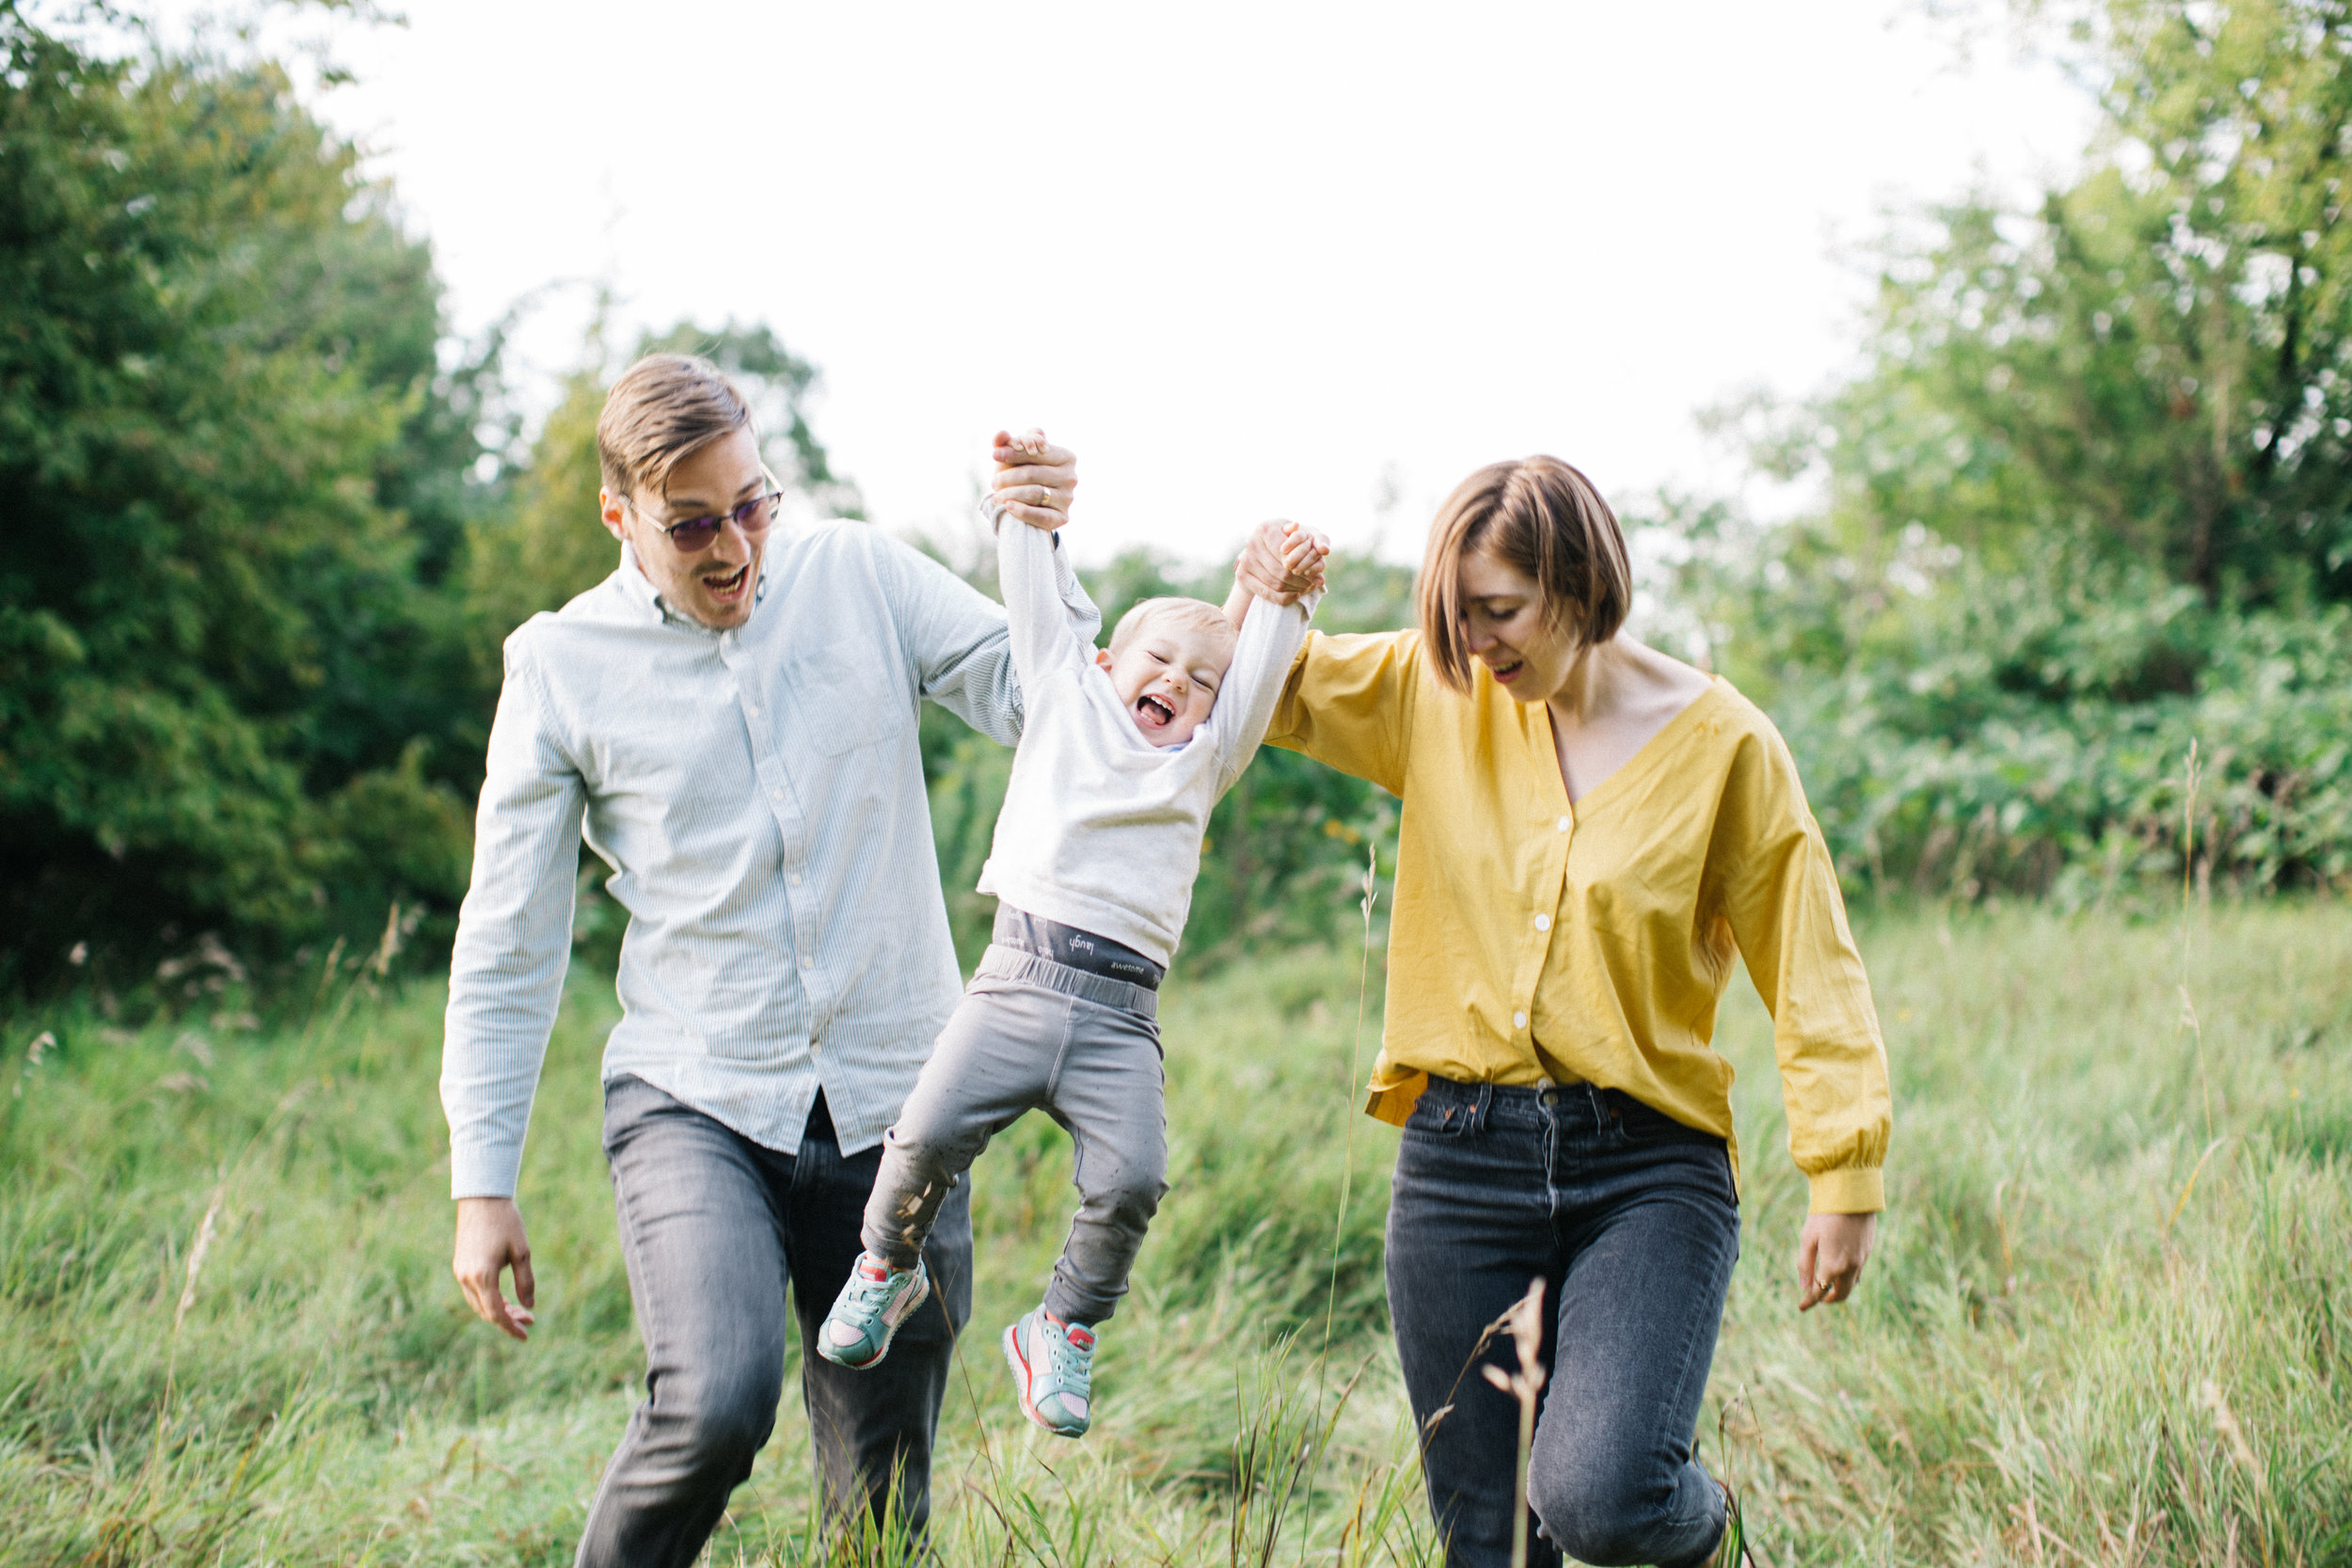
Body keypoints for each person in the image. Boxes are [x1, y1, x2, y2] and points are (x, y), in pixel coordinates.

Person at [438, 354, 1091, 1566]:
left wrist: (1035, 544)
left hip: (903, 1105)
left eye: (753, 504)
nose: (735, 545)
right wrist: (485, 1179)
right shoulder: (560, 665)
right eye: (693, 524)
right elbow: (508, 937)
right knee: (715, 1400)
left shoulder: (855, 573)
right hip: (697, 1094)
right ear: (620, 518)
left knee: (880, 1499)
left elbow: (1037, 696)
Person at [1232, 458, 1892, 1568]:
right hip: (1456, 1159)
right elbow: (1261, 684)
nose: (1477, 646)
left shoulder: (1727, 744)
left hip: (1645, 1166)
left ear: (1581, 582)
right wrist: (1257, 595)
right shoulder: (1434, 693)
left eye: (1499, 612)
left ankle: (1706, 1530)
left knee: (1598, 1496)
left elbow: (1810, 958)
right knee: (1488, 1538)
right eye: (1457, 619)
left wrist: (1846, 1169)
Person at [816, 434, 1328, 1439]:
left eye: (1200, 682)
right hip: (1014, 982)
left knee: (1132, 1176)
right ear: (1107, 664)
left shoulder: (1204, 761)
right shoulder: (1062, 695)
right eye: (1158, 662)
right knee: (923, 1135)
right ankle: (886, 1266)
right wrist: (1027, 512)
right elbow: (1035, 596)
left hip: (1118, 1017)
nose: (1178, 683)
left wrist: (1278, 593)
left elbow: (1257, 665)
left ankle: (1061, 1324)